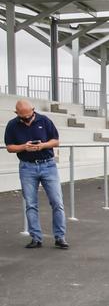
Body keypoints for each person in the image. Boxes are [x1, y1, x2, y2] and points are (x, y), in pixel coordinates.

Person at [5, 100, 67, 249]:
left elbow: (56, 141)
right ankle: (36, 238)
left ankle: (60, 237)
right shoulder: (12, 125)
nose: (27, 119)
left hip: (48, 165)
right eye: (23, 117)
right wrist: (24, 147)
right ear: (16, 113)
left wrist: (43, 145)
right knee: (31, 204)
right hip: (27, 167)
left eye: (29, 116)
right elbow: (10, 147)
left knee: (57, 202)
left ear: (33, 110)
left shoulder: (44, 120)